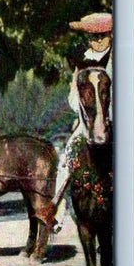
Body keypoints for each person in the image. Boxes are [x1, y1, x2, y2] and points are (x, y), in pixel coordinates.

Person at [51, 12, 113, 230]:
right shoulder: (82, 62)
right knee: (67, 160)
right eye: (93, 37)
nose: (98, 41)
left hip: (114, 120)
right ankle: (57, 209)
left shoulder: (118, 59)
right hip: (86, 124)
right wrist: (84, 111)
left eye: (102, 36)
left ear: (110, 35)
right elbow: (72, 99)